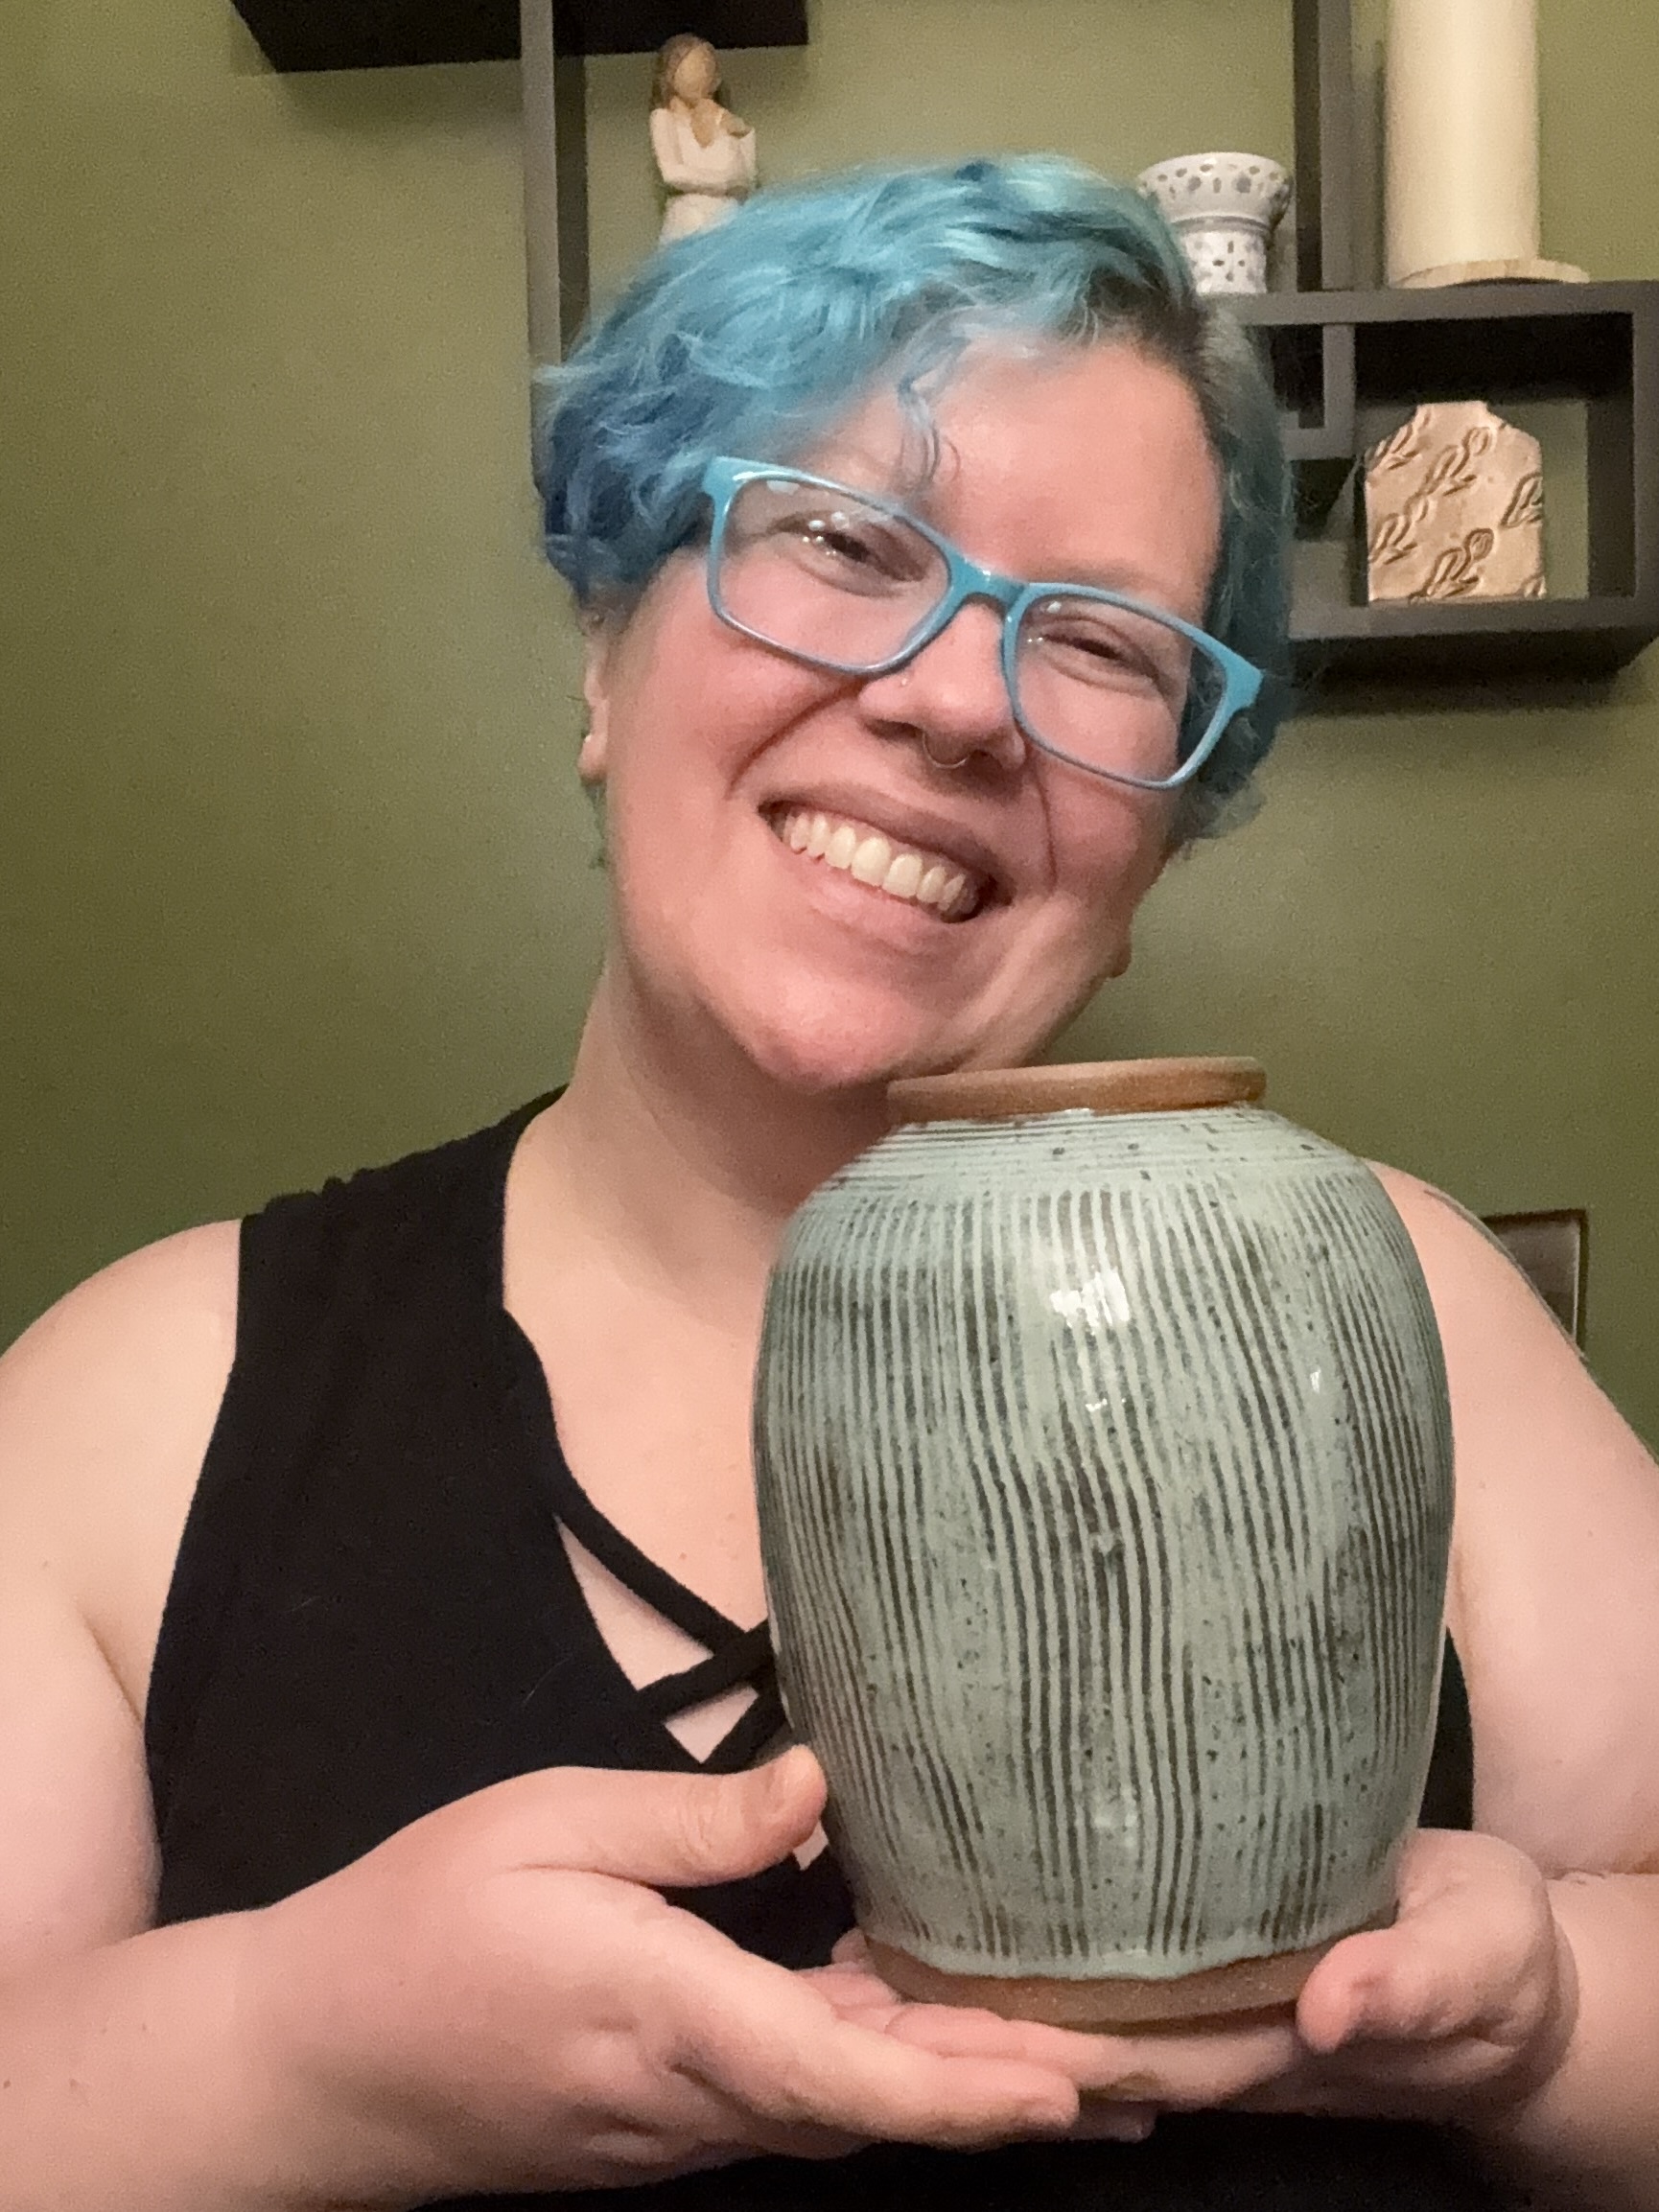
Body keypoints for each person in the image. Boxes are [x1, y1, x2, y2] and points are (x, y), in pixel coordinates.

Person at [0, 155, 1656, 2212]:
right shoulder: (135, 1402)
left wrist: (1553, 2023)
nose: (961, 699)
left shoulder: (1404, 1312)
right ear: (606, 650)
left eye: (1107, 643)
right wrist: (300, 2053)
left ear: (1158, 848)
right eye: (847, 539)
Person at [649, 35, 757, 244]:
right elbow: (672, 173)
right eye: (691, 68)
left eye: (705, 68)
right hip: (689, 222)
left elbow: (746, 182)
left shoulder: (722, 119)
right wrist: (724, 181)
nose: (700, 76)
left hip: (728, 221)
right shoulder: (664, 118)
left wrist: (745, 135)